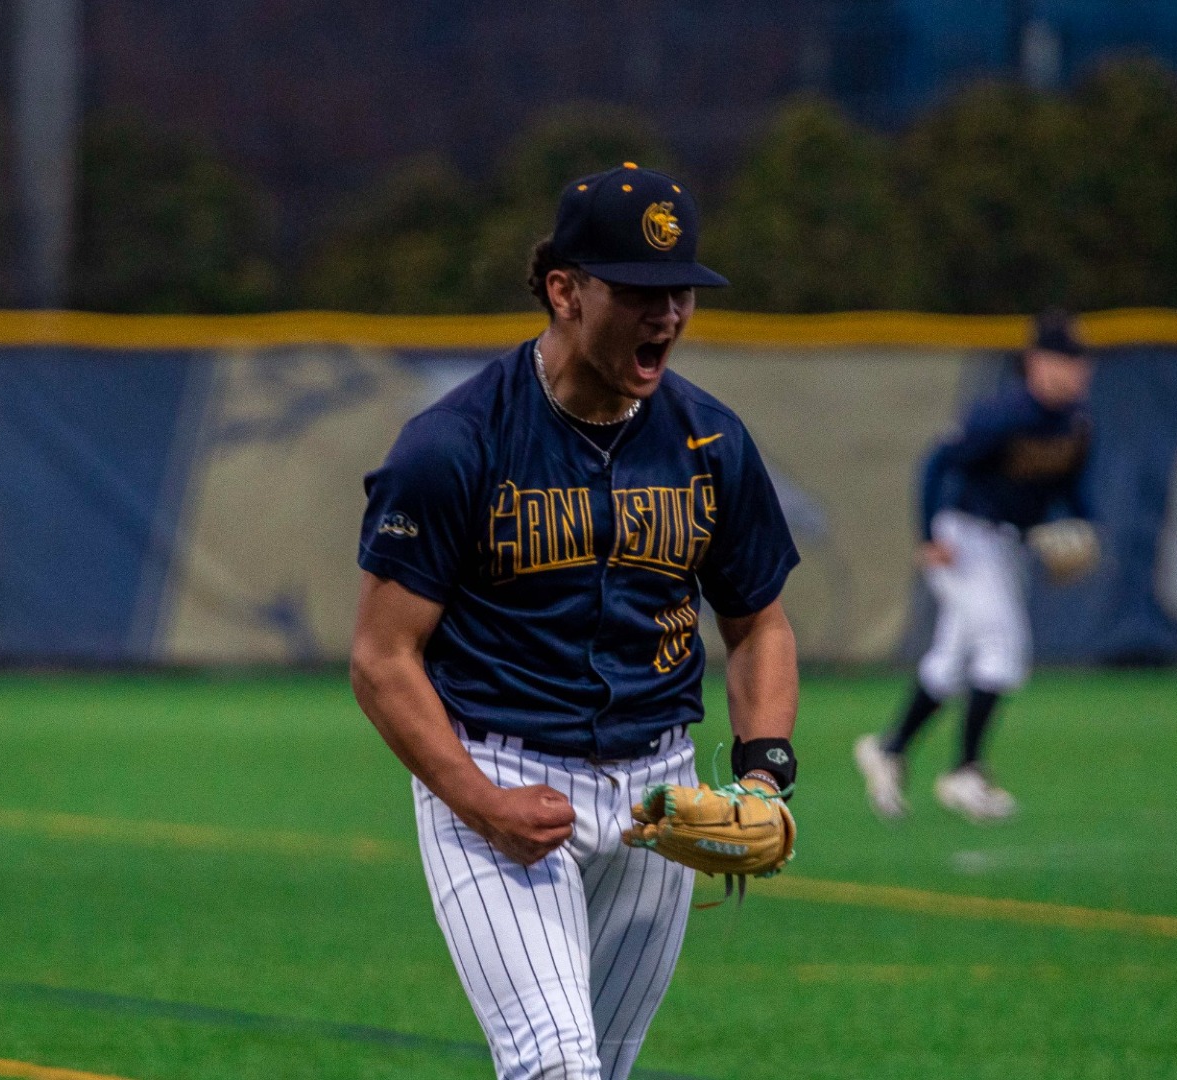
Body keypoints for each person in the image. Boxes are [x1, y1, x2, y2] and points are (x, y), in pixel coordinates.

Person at [350, 163, 801, 1080]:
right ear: (564, 291)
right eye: (637, 291)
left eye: (678, 292)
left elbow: (759, 625)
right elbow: (381, 658)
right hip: (497, 773)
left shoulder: (711, 442)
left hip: (657, 797)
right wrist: (481, 802)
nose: (666, 315)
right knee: (556, 1066)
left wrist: (765, 773)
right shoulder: (455, 445)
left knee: (601, 1068)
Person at [855, 308, 1095, 824]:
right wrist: (927, 536)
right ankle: (966, 771)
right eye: (1060, 360)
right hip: (962, 540)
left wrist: (1083, 526)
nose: (1070, 372)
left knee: (952, 660)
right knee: (1004, 647)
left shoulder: (1075, 424)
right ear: (1033, 363)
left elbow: (1071, 491)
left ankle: (889, 749)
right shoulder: (1003, 413)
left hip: (1007, 547)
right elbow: (937, 462)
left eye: (1077, 362)